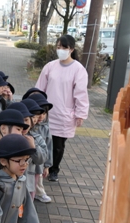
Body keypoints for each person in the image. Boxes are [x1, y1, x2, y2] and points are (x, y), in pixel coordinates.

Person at [34, 34, 89, 182]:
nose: (61, 50)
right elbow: (39, 89)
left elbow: (81, 94)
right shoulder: (50, 66)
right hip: (46, 113)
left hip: (64, 114)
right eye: (58, 47)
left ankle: (54, 169)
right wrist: (35, 107)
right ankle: (41, 167)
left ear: (71, 49)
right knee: (43, 141)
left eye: (64, 47)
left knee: (58, 145)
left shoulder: (78, 69)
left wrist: (80, 114)